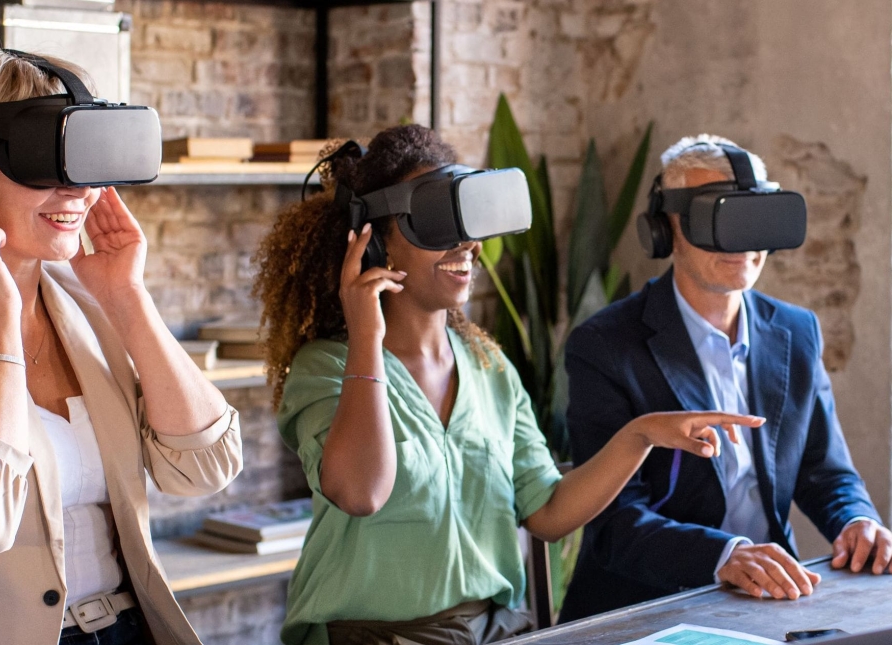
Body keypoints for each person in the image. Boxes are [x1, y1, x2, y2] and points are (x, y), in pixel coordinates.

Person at [253, 124, 760, 645]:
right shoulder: (326, 367)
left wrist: (642, 434)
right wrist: (366, 337)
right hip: (369, 637)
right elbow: (359, 493)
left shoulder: (489, 365)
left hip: (497, 633)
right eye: (435, 223)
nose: (468, 245)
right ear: (376, 239)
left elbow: (547, 512)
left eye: (468, 223)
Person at [0, 43, 243, 645]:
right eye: (42, 160)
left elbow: (206, 469)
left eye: (83, 159)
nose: (77, 192)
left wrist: (127, 300)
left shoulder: (90, 302)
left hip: (128, 629)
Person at [559, 135, 892, 621]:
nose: (742, 243)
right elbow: (615, 522)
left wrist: (857, 520)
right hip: (649, 604)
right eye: (717, 219)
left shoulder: (796, 331)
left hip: (769, 597)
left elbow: (825, 469)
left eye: (752, 217)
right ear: (664, 228)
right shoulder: (606, 345)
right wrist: (724, 555)